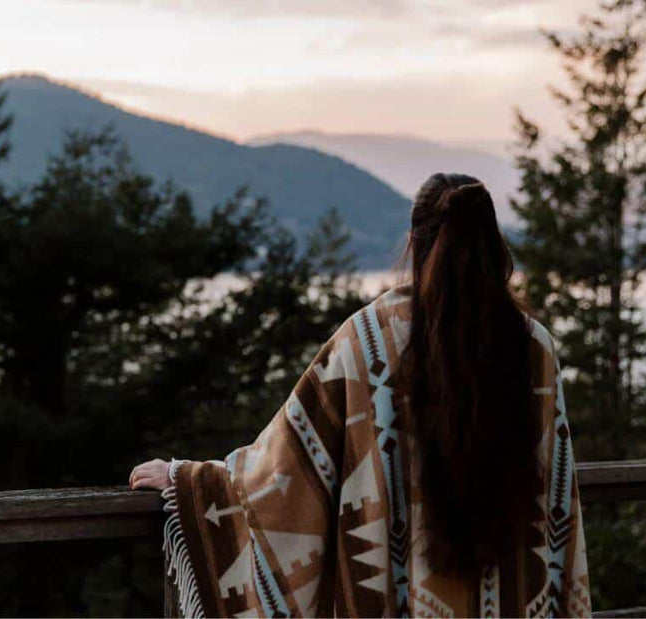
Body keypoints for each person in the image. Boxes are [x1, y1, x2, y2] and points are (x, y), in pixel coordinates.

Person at [130, 173, 591, 618]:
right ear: (493, 243)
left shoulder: (367, 342)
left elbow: (286, 466)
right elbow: (557, 499)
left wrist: (190, 481)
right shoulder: (535, 348)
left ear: (413, 242)